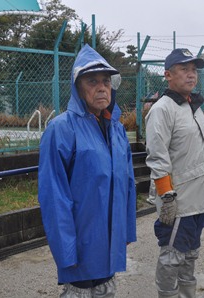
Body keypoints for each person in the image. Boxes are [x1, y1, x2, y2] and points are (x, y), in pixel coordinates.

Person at [38, 44, 137, 298]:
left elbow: (127, 184)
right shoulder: (61, 130)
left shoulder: (116, 130)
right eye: (92, 81)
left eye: (106, 80)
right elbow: (54, 196)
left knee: (106, 288)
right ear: (77, 87)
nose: (101, 87)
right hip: (81, 243)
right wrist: (66, 250)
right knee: (81, 292)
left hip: (109, 240)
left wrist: (125, 231)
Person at [145, 48, 204, 298]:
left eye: (194, 70)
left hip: (198, 200)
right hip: (179, 202)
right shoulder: (163, 109)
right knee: (172, 256)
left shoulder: (193, 106)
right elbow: (157, 157)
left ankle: (188, 294)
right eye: (184, 70)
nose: (191, 75)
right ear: (168, 75)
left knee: (190, 254)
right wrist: (167, 196)